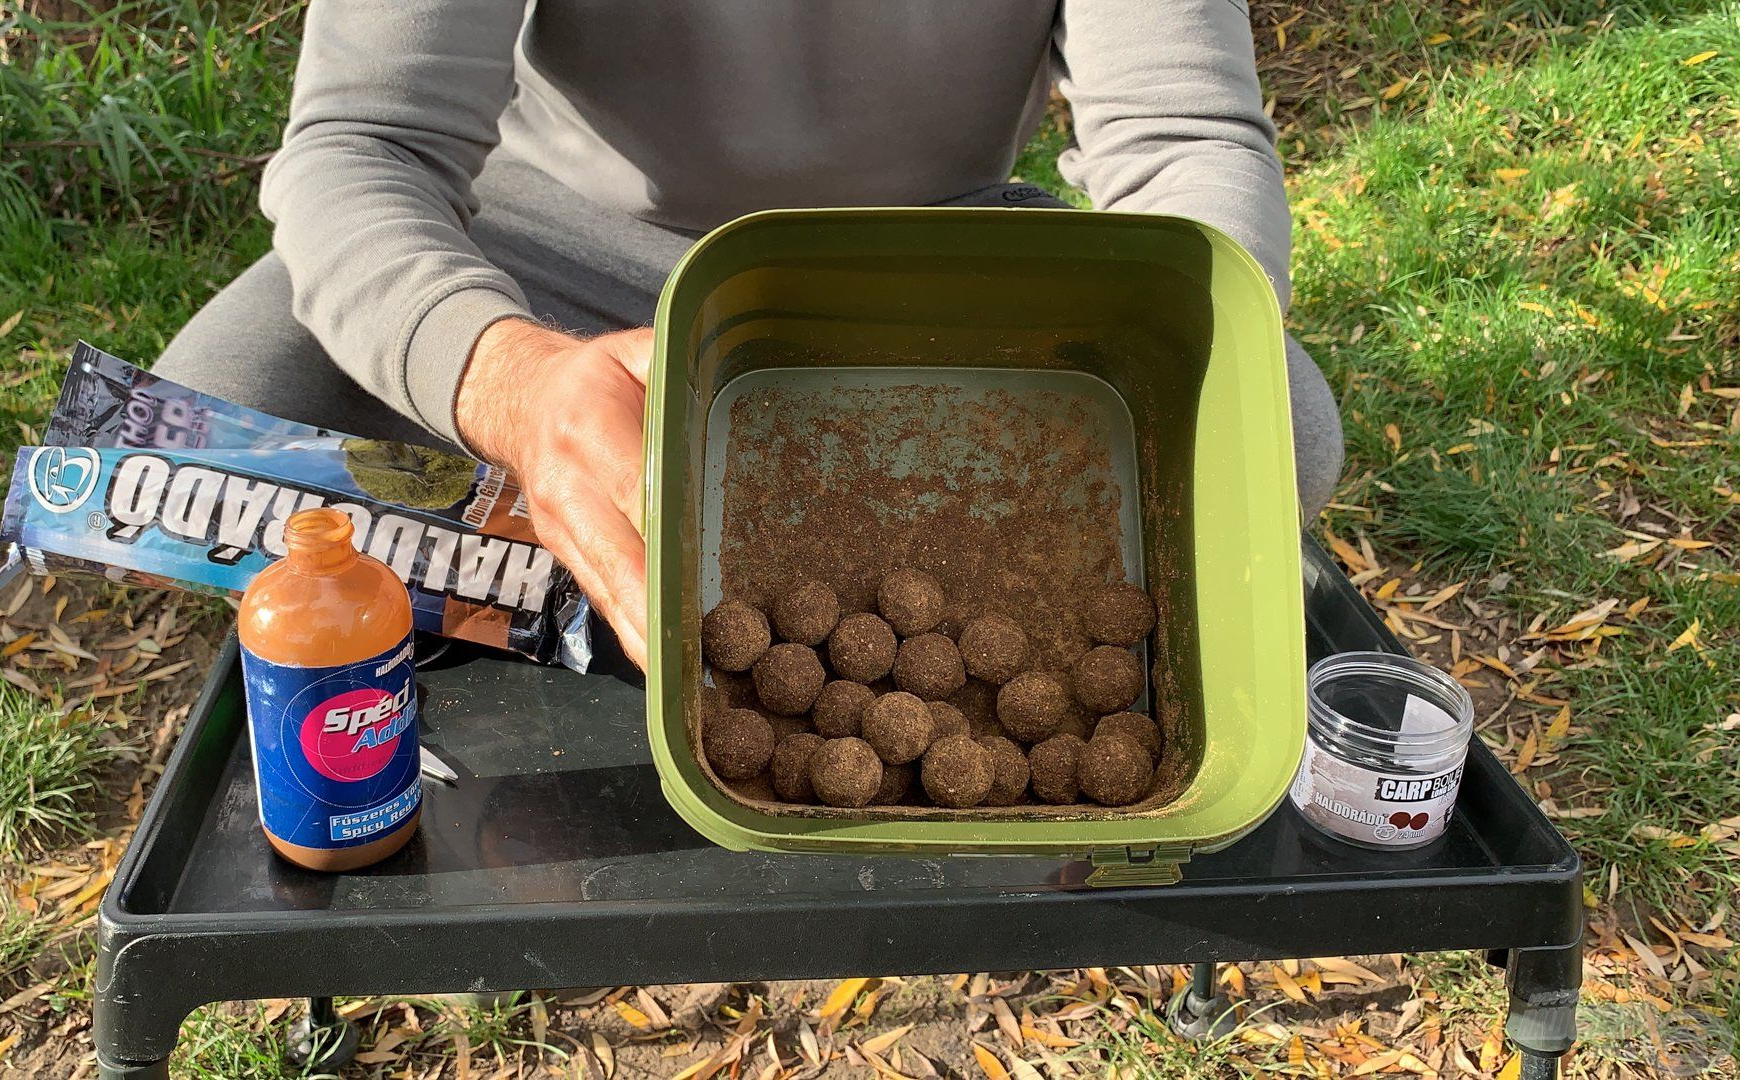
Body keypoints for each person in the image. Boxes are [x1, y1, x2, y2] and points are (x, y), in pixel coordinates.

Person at [155, 1, 1345, 671]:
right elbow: (363, 147)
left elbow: (1184, 140)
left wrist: (1160, 373)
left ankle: (587, 584)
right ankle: (800, 574)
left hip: (915, 271)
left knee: (1272, 427)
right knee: (204, 427)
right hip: (553, 258)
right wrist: (512, 386)